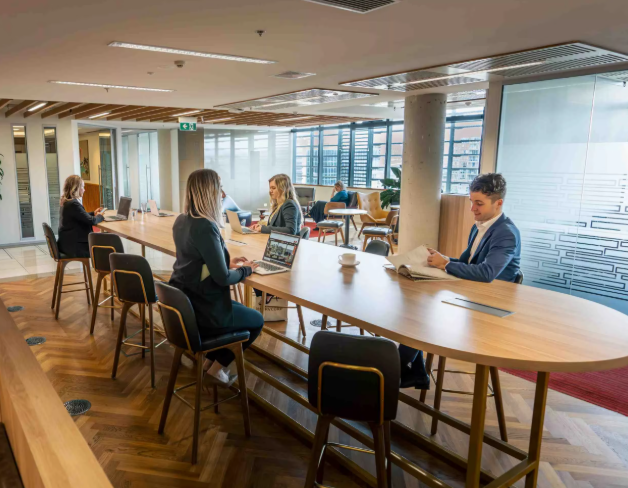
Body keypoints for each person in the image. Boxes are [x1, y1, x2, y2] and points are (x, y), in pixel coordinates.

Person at [400, 173, 521, 389]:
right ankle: (412, 371)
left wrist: (445, 264)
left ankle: (398, 370)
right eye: (471, 202)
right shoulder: (479, 226)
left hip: (490, 307)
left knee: (423, 316)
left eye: (479, 204)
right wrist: (441, 259)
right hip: (471, 294)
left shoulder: (506, 233)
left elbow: (487, 273)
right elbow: (467, 262)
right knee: (418, 310)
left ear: (498, 203)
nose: (472, 209)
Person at [169, 169, 264, 385]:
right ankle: (217, 368)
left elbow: (194, 261)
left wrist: (224, 261)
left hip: (185, 303)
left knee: (240, 311)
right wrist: (246, 270)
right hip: (203, 310)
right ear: (209, 191)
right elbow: (222, 279)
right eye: (219, 188)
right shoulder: (205, 225)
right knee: (257, 321)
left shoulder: (181, 220)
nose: (222, 194)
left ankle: (209, 363)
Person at [57, 175, 105, 258]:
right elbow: (91, 221)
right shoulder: (73, 204)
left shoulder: (66, 201)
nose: (84, 189)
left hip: (67, 244)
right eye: (83, 187)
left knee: (104, 239)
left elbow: (79, 216)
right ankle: (106, 265)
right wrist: (100, 216)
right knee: (108, 241)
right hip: (75, 247)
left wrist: (93, 213)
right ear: (76, 188)